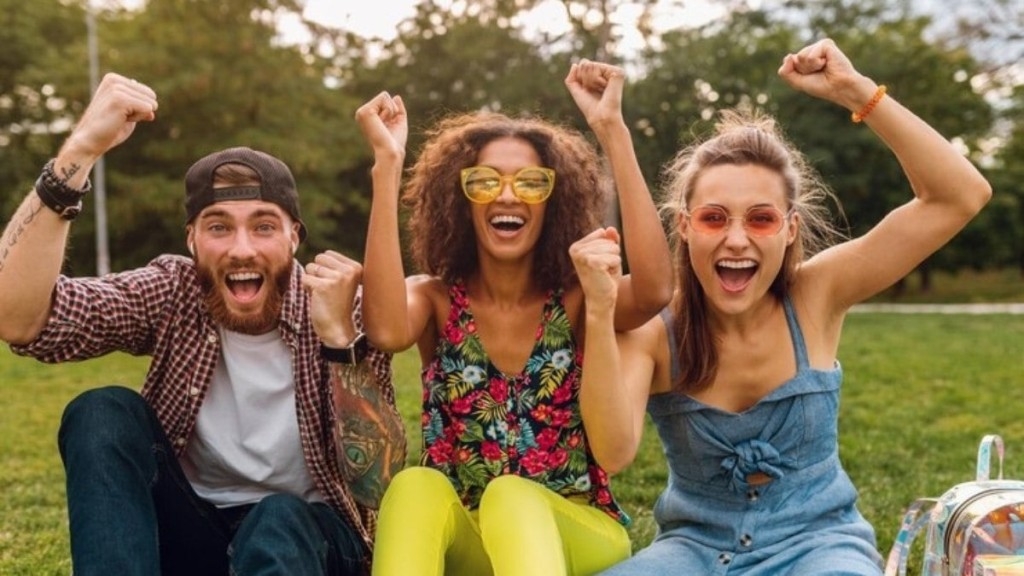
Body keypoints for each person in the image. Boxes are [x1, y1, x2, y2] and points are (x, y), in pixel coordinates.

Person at [575, 39, 993, 575]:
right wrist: (599, 308)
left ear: (790, 228)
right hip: (693, 553)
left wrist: (856, 91)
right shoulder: (656, 331)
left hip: (821, 548)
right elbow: (612, 452)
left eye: (761, 218)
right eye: (713, 218)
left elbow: (960, 195)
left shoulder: (817, 295)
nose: (736, 239)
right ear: (684, 226)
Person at [0, 73, 407, 576]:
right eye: (218, 227)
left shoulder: (345, 306)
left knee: (277, 515)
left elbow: (379, 488)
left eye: (263, 225)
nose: (241, 248)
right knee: (101, 411)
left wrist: (339, 342)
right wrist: (81, 149)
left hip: (314, 543)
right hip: (197, 533)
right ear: (191, 241)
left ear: (293, 238)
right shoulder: (174, 290)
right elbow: (18, 319)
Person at [353, 58, 673, 576]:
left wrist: (611, 129)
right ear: (461, 200)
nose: (507, 195)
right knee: (414, 486)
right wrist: (387, 167)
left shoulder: (576, 299)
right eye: (483, 181)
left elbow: (657, 287)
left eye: (530, 182)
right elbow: (386, 330)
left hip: (575, 529)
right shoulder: (436, 300)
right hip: (473, 540)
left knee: (512, 496)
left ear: (555, 200)